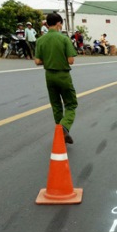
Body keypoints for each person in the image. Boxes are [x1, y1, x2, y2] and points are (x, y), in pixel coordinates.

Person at [35, 13, 78, 144]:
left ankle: (60, 131)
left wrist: (49, 61)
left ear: (47, 24)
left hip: (49, 76)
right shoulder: (64, 39)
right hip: (63, 75)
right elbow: (71, 60)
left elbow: (37, 61)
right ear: (59, 23)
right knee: (71, 104)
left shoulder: (40, 40)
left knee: (56, 105)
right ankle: (64, 127)